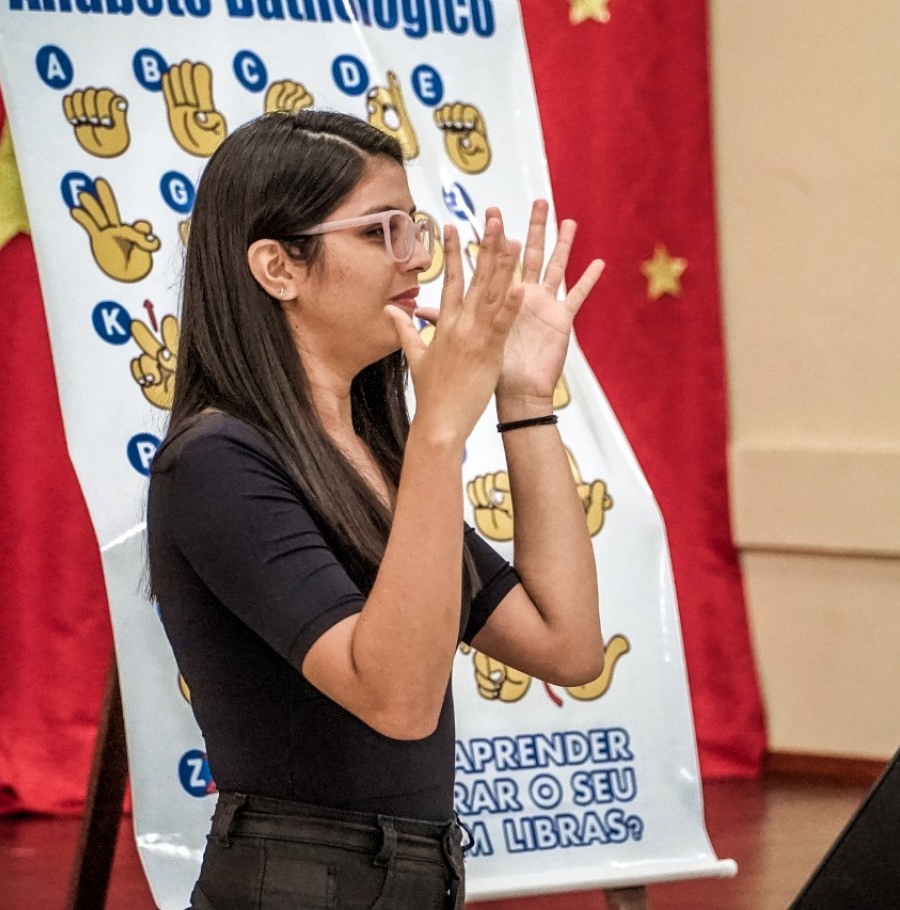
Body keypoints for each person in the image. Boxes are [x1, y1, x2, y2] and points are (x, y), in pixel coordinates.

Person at [147, 109, 607, 909]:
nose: (419, 257)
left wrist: (524, 397)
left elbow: (567, 646)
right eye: (380, 232)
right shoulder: (216, 461)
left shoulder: (374, 452)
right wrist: (439, 432)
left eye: (414, 226)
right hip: (295, 878)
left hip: (417, 872)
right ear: (277, 268)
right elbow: (397, 697)